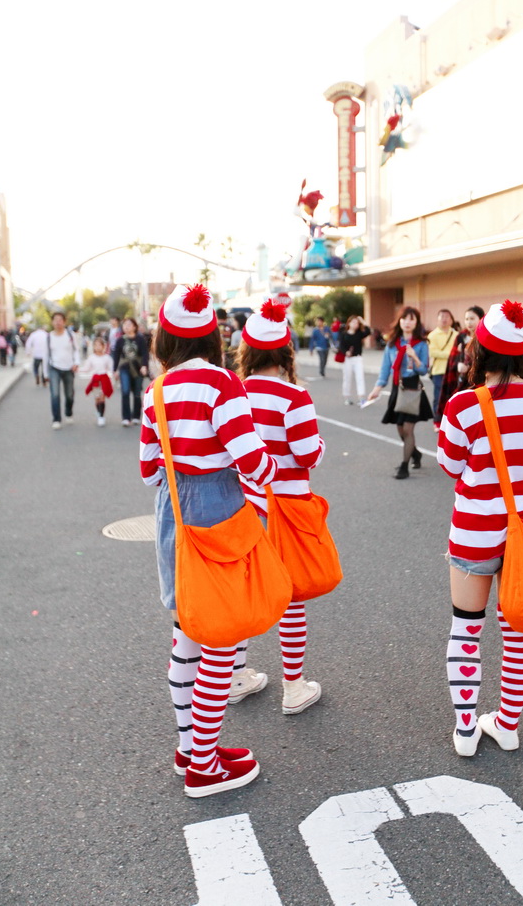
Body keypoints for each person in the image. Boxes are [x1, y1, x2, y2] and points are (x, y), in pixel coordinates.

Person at [140, 282, 277, 797]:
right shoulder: (222, 386)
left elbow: (148, 471)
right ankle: (205, 767)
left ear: (165, 340)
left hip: (172, 515)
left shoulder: (157, 392)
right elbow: (255, 464)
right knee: (221, 638)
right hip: (220, 513)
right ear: (212, 338)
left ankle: (190, 747)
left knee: (188, 630)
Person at [437, 300, 523, 757]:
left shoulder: (462, 405)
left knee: (466, 629)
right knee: (518, 633)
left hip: (474, 529)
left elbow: (450, 465)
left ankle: (466, 728)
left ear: (480, 351)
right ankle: (507, 723)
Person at [231, 300, 325, 713]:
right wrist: (321, 447)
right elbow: (307, 455)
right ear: (287, 352)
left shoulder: (234, 392)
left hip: (242, 504)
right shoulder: (294, 396)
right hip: (287, 507)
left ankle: (236, 675)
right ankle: (293, 686)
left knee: (244, 591)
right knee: (291, 596)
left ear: (246, 352)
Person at [367, 306, 431, 479]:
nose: (407, 322)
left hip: (412, 389)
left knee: (408, 430)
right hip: (397, 388)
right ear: (399, 321)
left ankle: (404, 466)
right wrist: (377, 389)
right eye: (404, 319)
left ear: (416, 322)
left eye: (411, 319)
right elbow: (385, 369)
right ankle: (415, 454)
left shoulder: (421, 344)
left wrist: (415, 357)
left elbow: (424, 370)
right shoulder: (392, 344)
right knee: (401, 430)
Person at [435, 306, 485, 425]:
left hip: (480, 382)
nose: (469, 322)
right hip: (461, 381)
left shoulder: (484, 337)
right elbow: (452, 360)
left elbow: (487, 360)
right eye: (466, 319)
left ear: (481, 319)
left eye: (472, 318)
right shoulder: (461, 336)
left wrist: (471, 365)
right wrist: (458, 362)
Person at [41, 311, 80, 429]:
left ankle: (68, 412)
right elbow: (45, 356)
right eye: (55, 320)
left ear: (64, 322)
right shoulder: (49, 337)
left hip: (69, 368)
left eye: (60, 320)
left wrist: (76, 363)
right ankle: (56, 419)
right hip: (54, 368)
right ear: (52, 322)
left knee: (69, 395)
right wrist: (45, 373)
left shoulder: (70, 335)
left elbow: (76, 350)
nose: (58, 322)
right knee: (55, 394)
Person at [113, 318, 149, 427]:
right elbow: (116, 356)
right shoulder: (120, 340)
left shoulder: (140, 339)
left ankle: (136, 416)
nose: (126, 326)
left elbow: (145, 354)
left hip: (138, 369)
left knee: (137, 393)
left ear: (134, 326)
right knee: (125, 391)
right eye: (124, 325)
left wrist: (144, 366)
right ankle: (126, 418)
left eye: (129, 324)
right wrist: (114, 370)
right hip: (124, 368)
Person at [79, 336, 114, 426]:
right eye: (96, 345)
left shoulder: (107, 357)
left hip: (104, 379)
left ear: (103, 346)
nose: (98, 347)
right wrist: (78, 369)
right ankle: (98, 412)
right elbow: (86, 368)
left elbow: (111, 368)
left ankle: (101, 417)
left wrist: (113, 374)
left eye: (99, 345)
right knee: (97, 398)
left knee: (102, 397)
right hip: (95, 380)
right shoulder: (91, 358)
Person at [428, 309, 457, 415]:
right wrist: (451, 354)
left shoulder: (456, 334)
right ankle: (437, 420)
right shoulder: (432, 335)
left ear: (451, 320)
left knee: (453, 396)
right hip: (438, 371)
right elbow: (433, 352)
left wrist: (448, 354)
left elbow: (458, 352)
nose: (444, 319)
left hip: (453, 370)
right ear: (437, 319)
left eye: (447, 317)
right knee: (439, 397)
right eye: (442, 316)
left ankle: (451, 418)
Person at [338, 315, 371, 405]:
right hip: (347, 359)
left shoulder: (359, 333)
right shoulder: (344, 334)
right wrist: (346, 352)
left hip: (358, 358)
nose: (355, 324)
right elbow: (341, 346)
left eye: (357, 323)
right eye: (353, 322)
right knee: (347, 378)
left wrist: (363, 321)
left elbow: (368, 331)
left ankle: (361, 397)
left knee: (360, 377)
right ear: (349, 323)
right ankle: (347, 397)